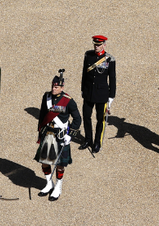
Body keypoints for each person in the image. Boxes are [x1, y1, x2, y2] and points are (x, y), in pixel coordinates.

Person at [35, 70, 82, 201]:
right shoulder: (46, 97)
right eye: (52, 86)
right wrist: (40, 132)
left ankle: (58, 187)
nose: (53, 89)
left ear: (62, 87)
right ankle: (49, 183)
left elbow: (77, 119)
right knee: (44, 161)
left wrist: (71, 135)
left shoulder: (68, 101)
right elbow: (43, 116)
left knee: (60, 164)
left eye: (56, 87)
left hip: (60, 135)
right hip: (47, 132)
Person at [80, 35, 116, 153]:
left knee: (100, 119)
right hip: (89, 92)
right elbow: (84, 74)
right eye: (95, 44)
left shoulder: (109, 59)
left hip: (101, 94)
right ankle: (88, 139)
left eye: (99, 45)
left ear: (104, 45)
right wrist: (83, 89)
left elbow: (112, 78)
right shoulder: (88, 55)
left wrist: (111, 96)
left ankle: (97, 142)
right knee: (86, 116)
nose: (96, 47)